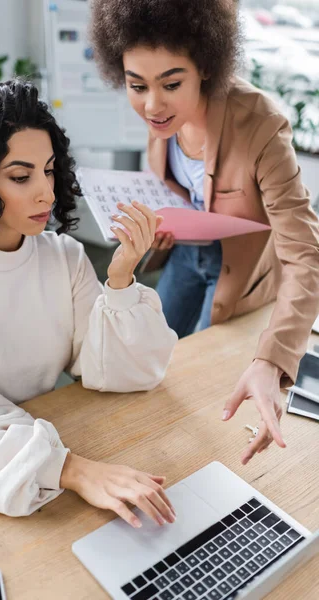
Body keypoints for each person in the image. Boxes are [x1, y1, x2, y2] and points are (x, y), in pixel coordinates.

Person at [0, 80, 178, 526]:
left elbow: (122, 372)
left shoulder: (65, 257)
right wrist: (71, 469)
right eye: (21, 177)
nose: (47, 193)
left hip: (55, 445)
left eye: (50, 169)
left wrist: (119, 279)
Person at [90, 0, 319, 464]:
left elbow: (307, 256)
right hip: (184, 255)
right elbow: (180, 193)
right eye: (137, 85)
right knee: (145, 360)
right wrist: (161, 231)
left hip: (239, 268)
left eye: (171, 84)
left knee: (194, 386)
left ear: (206, 69)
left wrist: (272, 361)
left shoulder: (261, 124)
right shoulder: (161, 118)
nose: (152, 104)